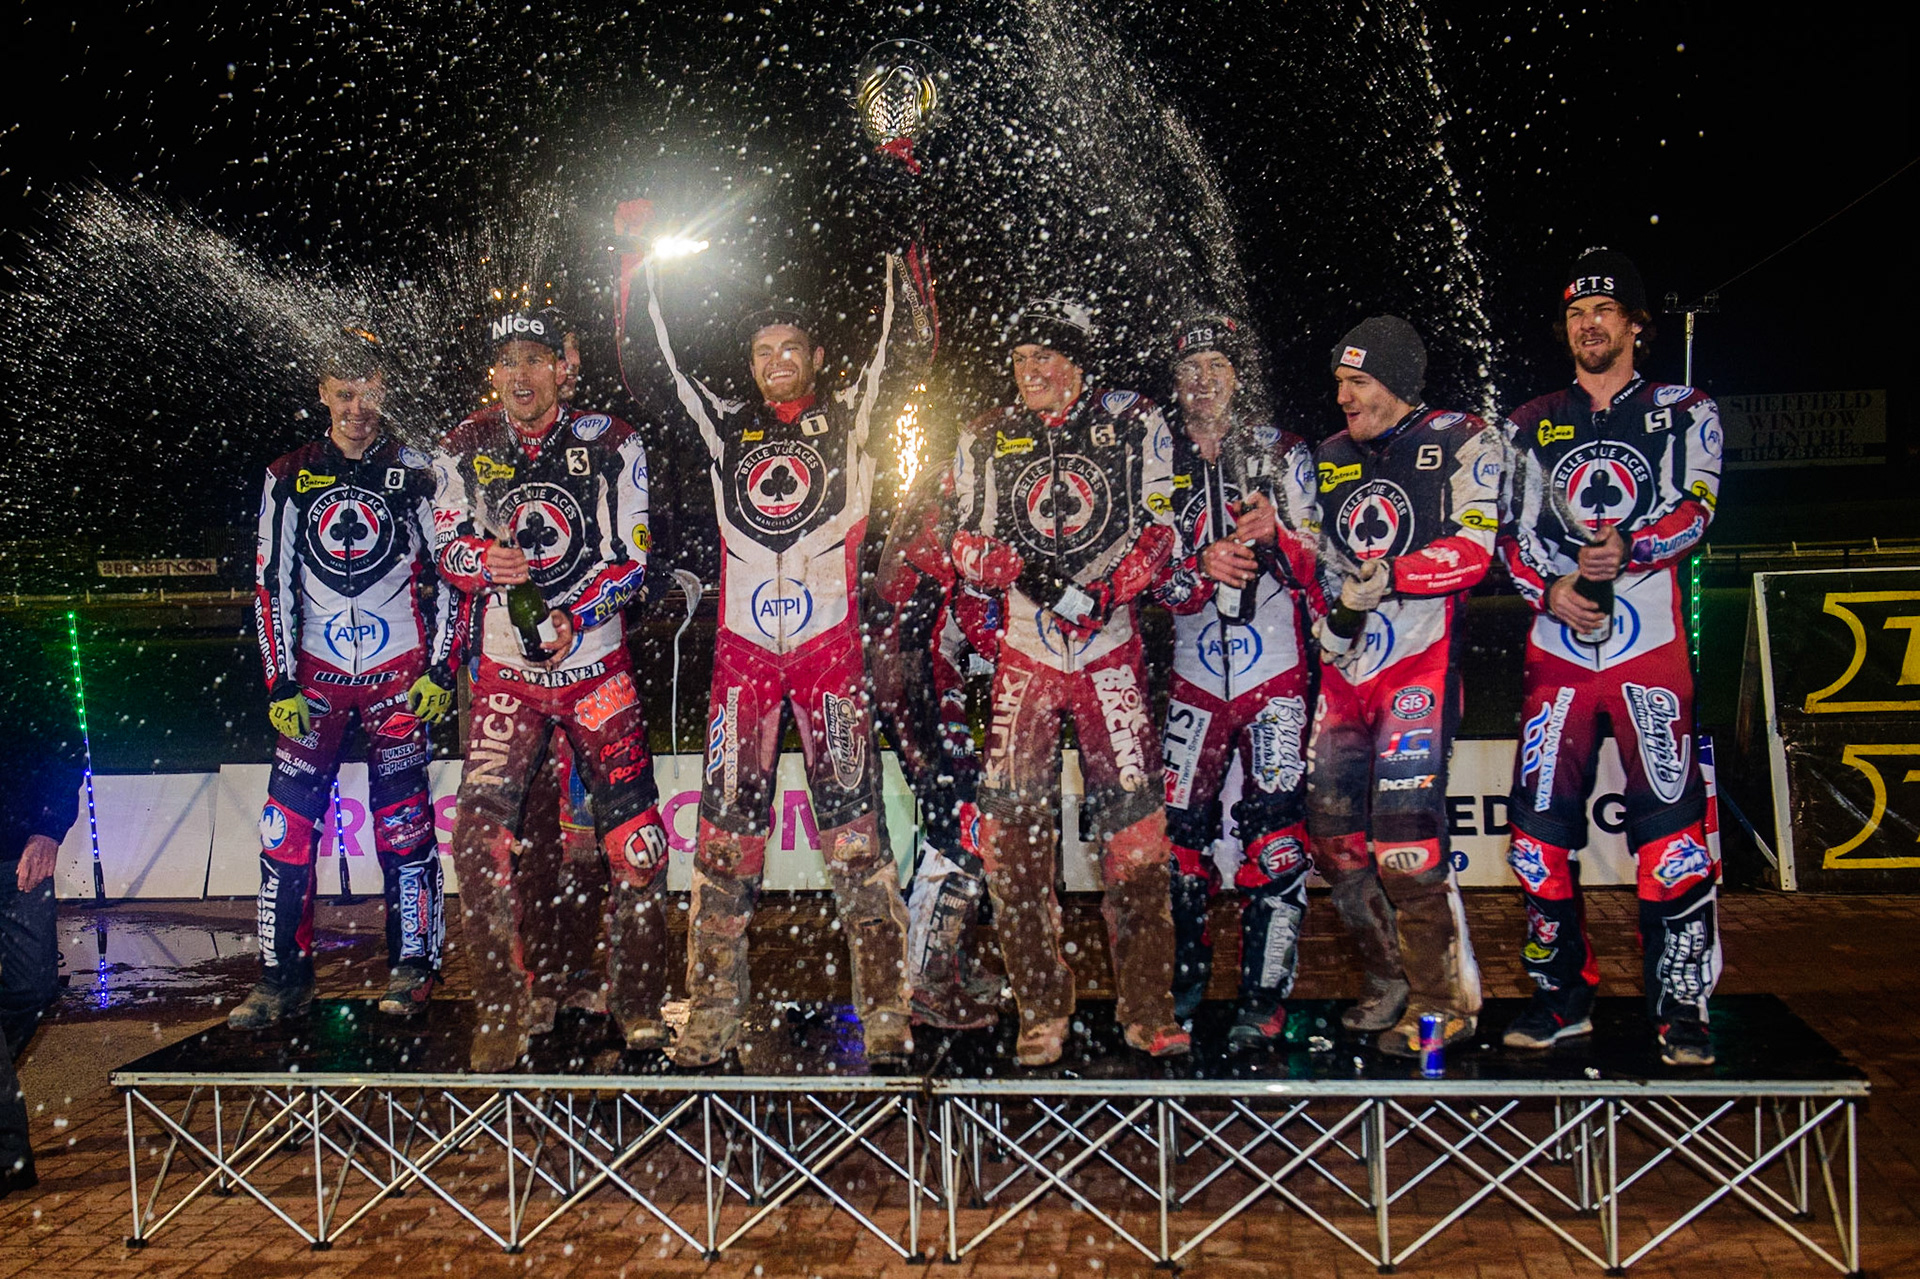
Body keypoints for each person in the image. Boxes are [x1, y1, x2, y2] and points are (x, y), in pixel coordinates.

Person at [619, 203, 919, 1067]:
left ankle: (888, 1009)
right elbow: (651, 367)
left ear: (819, 357)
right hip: (743, 667)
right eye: (761, 352)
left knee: (856, 841)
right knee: (723, 842)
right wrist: (637, 261)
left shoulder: (855, 415)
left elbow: (906, 343)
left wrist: (900, 219)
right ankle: (712, 1009)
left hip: (831, 657)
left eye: (791, 349)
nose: (775, 363)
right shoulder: (726, 426)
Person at [1496, 248, 1724, 1066]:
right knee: (1533, 838)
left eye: (1604, 310)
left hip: (1649, 653)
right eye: (1575, 313)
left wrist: (1628, 549)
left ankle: (1682, 1007)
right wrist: (1547, 588)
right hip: (1557, 656)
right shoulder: (1529, 421)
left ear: (1635, 324)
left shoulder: (1681, 407)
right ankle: (1560, 1000)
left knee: (1671, 838)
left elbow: (1698, 507)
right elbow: (1509, 535)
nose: (1589, 324)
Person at [948, 298, 1187, 1066]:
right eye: (1020, 361)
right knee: (1012, 844)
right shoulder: (986, 434)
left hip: (1110, 653)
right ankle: (1042, 1008)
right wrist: (1018, 570)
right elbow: (964, 541)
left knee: (1138, 845)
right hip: (1025, 655)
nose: (1031, 374)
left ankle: (1147, 1010)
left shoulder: (1132, 419)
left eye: (1045, 360)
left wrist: (1103, 592)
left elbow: (1162, 529)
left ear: (1079, 367)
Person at [433, 308, 669, 1071]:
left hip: (596, 670)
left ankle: (636, 1001)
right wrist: (479, 561)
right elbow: (442, 543)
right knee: (479, 842)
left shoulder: (611, 440)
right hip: (508, 675)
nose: (522, 376)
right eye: (509, 362)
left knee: (634, 840)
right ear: (494, 372)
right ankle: (507, 1006)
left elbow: (633, 564)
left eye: (536, 359)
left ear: (562, 367)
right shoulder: (465, 445)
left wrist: (576, 613)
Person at [236, 337, 455, 1027]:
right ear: (324, 393)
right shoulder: (289, 474)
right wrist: (279, 683)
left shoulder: (416, 470)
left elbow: (456, 571)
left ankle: (412, 966)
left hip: (398, 676)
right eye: (344, 394)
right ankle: (282, 977)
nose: (358, 409)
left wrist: (443, 667)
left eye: (369, 393)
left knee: (404, 827)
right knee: (285, 831)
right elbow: (270, 584)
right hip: (316, 681)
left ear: (384, 388)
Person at [1307, 315, 1501, 1055]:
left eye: (1358, 383)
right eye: (1339, 384)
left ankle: (1442, 1001)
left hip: (1421, 665)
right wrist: (1332, 612)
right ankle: (1389, 974)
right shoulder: (1327, 456)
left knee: (1407, 847)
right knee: (1333, 842)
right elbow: (1318, 560)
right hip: (1344, 673)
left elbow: (1475, 551)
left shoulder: (1460, 436)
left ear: (1394, 382)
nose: (1344, 397)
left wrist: (1394, 576)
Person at [1153, 314, 1322, 1048]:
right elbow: (1143, 573)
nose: (1203, 382)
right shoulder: (1157, 457)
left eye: (1216, 366)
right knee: (1178, 843)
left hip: (1274, 672)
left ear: (1236, 375)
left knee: (1277, 839)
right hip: (1193, 676)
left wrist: (1275, 539)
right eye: (1190, 370)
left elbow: (1323, 561)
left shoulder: (1283, 451)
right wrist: (1196, 573)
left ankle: (1264, 994)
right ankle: (1185, 986)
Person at [868, 462, 1002, 1031]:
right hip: (910, 669)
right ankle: (923, 984)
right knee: (963, 817)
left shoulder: (958, 478)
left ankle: (943, 966)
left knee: (966, 813)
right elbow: (979, 615)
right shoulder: (962, 488)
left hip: (917, 666)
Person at [0, 616, 83, 1195]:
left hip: (18, 857)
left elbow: (62, 744)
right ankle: (9, 1154)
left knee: (33, 988)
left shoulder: (20, 646)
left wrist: (49, 828)